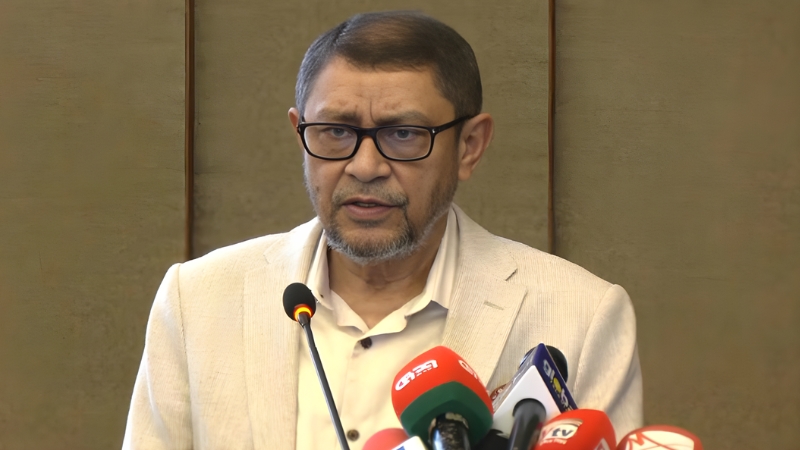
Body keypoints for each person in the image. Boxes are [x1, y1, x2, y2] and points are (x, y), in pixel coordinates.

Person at [122, 11, 643, 450]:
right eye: (335, 131)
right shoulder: (197, 301)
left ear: (469, 147)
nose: (365, 166)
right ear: (300, 133)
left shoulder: (582, 315)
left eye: (403, 134)